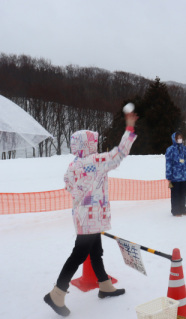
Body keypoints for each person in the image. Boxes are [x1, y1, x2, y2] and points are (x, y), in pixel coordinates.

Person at [44, 112, 138, 317]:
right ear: (88, 145)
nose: (95, 144)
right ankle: (57, 293)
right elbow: (119, 153)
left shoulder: (73, 165)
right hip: (92, 218)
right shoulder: (95, 161)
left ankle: (104, 286)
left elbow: (68, 184)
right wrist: (129, 128)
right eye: (93, 142)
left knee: (96, 252)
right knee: (79, 254)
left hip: (82, 218)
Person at [165, 131, 186, 217]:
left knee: (182, 193)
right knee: (175, 194)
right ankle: (175, 210)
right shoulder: (170, 150)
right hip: (174, 178)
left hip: (184, 177)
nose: (179, 139)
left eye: (180, 137)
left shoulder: (185, 149)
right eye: (177, 138)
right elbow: (168, 164)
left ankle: (182, 208)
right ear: (174, 139)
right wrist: (169, 176)